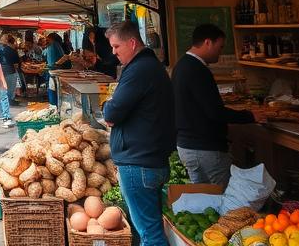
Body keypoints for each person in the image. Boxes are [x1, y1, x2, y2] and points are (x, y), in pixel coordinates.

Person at [102, 21, 175, 246]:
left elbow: (112, 112)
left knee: (150, 235)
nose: (113, 53)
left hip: (139, 163)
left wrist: (109, 106)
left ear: (132, 43)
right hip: (149, 160)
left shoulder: (139, 70)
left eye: (116, 47)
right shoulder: (150, 66)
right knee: (152, 228)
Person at [172, 24, 254, 186]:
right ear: (208, 42)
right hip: (205, 148)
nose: (220, 52)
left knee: (204, 199)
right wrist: (249, 116)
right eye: (220, 46)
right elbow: (215, 112)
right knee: (224, 198)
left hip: (187, 146)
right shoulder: (198, 70)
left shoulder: (181, 66)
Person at [0, 34, 18, 128]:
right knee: (8, 94)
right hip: (10, 72)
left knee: (1, 94)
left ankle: (1, 113)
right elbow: (16, 65)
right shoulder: (12, 50)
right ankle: (5, 115)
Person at [43, 33, 68, 105]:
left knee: (53, 90)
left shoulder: (54, 45)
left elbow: (62, 58)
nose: (46, 40)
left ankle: (54, 105)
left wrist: (55, 64)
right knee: (52, 89)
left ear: (52, 39)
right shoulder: (51, 46)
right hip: (53, 70)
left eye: (48, 39)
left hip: (56, 71)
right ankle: (54, 104)